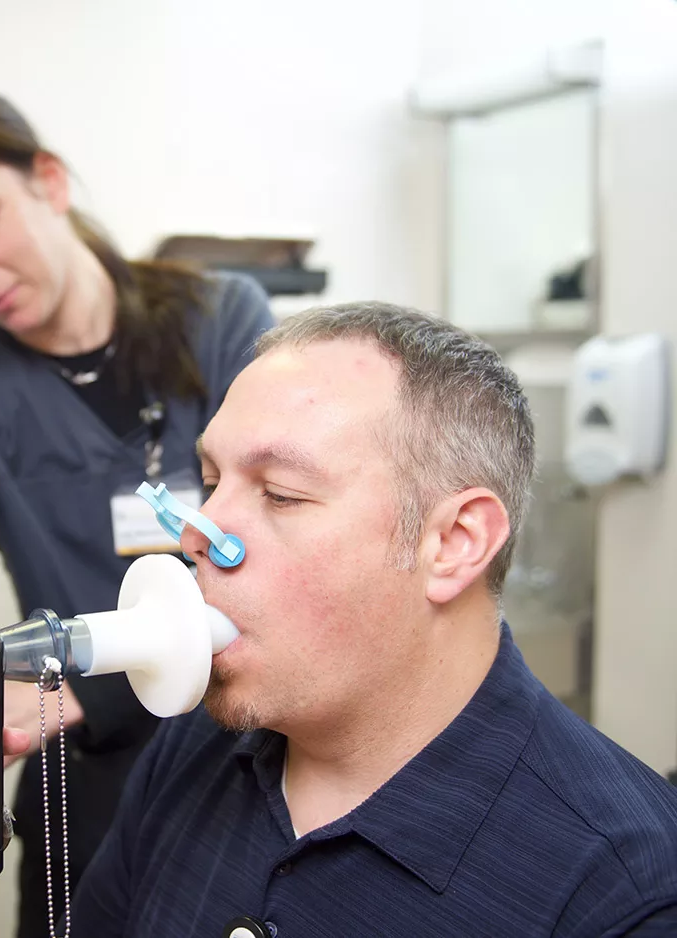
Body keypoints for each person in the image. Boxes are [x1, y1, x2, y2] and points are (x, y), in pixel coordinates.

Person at [70, 302, 677, 936]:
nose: (199, 535)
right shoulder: (192, 747)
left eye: (281, 492)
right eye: (212, 481)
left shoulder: (625, 896)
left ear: (455, 543)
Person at [0, 82, 275, 938]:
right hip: (91, 763)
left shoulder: (220, 318)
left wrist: (83, 690)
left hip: (248, 734)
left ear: (47, 181)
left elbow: (276, 534)